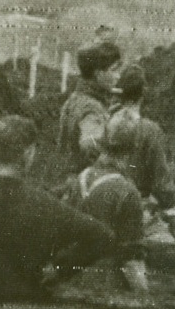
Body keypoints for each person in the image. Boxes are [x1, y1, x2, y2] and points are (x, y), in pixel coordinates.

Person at [0, 115, 114, 301]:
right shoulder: (48, 204)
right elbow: (103, 236)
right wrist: (60, 270)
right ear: (28, 154)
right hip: (32, 301)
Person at [63, 108, 149, 293]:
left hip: (72, 281)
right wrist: (145, 297)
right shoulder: (127, 192)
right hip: (108, 287)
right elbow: (132, 261)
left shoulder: (80, 179)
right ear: (134, 150)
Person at [109, 64, 175, 243]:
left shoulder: (107, 121)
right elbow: (162, 183)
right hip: (137, 209)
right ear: (143, 94)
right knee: (167, 246)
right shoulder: (149, 130)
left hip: (106, 203)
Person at [56, 40, 123, 173]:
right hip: (87, 182)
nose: (118, 76)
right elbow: (90, 145)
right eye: (114, 70)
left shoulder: (75, 98)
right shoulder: (92, 108)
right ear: (98, 74)